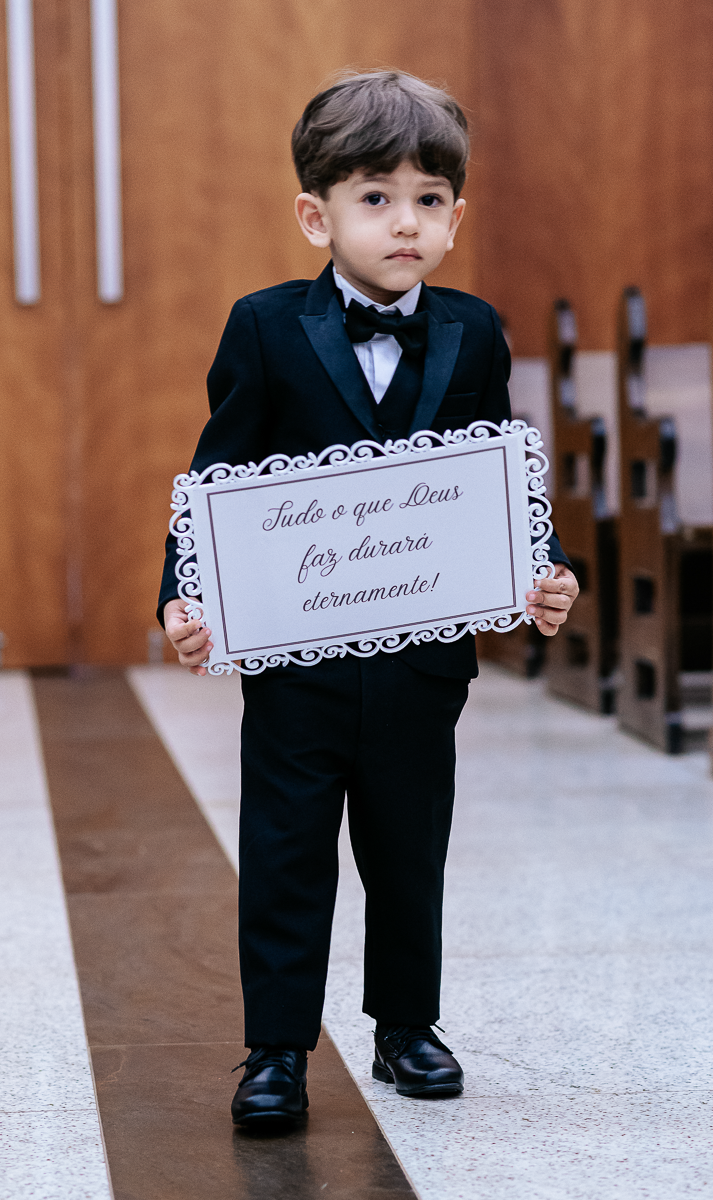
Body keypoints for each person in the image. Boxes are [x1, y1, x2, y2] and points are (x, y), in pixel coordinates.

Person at [158, 70, 578, 1127]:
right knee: (287, 851)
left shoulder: (476, 333)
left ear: (457, 217)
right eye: (376, 197)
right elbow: (215, 480)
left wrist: (546, 569)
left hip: (420, 663)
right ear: (317, 214)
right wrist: (185, 596)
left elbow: (499, 471)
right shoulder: (264, 327)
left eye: (430, 199)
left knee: (407, 845)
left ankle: (406, 1028)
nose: (406, 222)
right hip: (298, 663)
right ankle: (277, 1050)